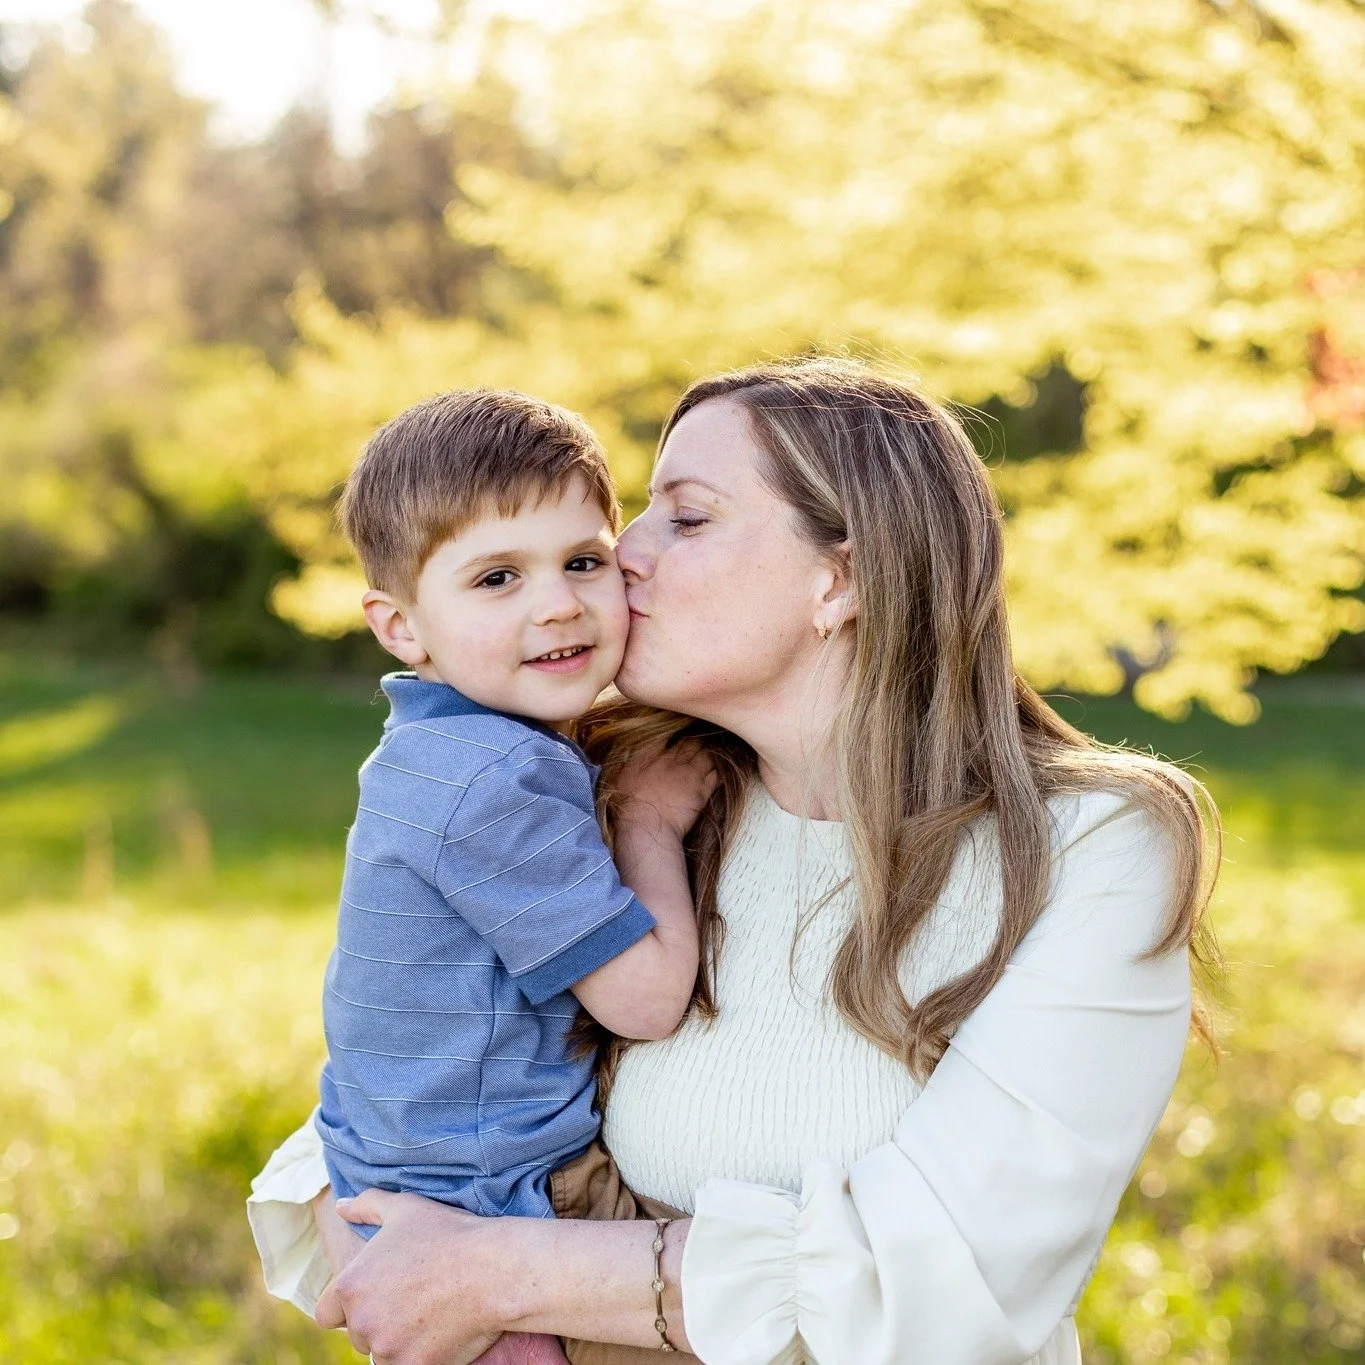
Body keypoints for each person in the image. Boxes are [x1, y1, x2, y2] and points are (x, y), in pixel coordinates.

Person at [248, 357, 1219, 1365]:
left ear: (837, 579)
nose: (622, 554)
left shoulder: (1092, 851)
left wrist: (497, 1270)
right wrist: (376, 1228)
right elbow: (407, 1060)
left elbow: (946, 1272)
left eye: (687, 515)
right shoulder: (632, 788)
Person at [260, 389, 711, 1365]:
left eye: (583, 561)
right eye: (498, 577)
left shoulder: (437, 748)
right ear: (401, 627)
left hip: (405, 1174)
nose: (557, 603)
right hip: (477, 1212)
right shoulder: (495, 779)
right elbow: (643, 996)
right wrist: (651, 820)